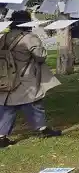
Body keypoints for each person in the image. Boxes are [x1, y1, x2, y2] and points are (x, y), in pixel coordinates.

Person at [0, 11, 62, 148]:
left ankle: (2, 136)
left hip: (6, 77)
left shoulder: (3, 37)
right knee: (34, 103)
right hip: (25, 77)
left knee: (7, 108)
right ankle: (43, 129)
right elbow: (41, 56)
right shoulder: (29, 38)